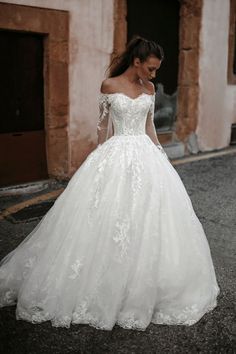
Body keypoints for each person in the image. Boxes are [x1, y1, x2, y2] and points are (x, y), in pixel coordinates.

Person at [0, 36, 220, 331]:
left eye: (156, 70)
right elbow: (103, 125)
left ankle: (143, 284)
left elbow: (149, 126)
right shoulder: (110, 86)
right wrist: (100, 158)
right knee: (105, 217)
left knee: (149, 219)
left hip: (145, 154)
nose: (153, 75)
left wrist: (161, 156)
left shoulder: (150, 89)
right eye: (151, 69)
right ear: (137, 62)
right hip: (115, 153)